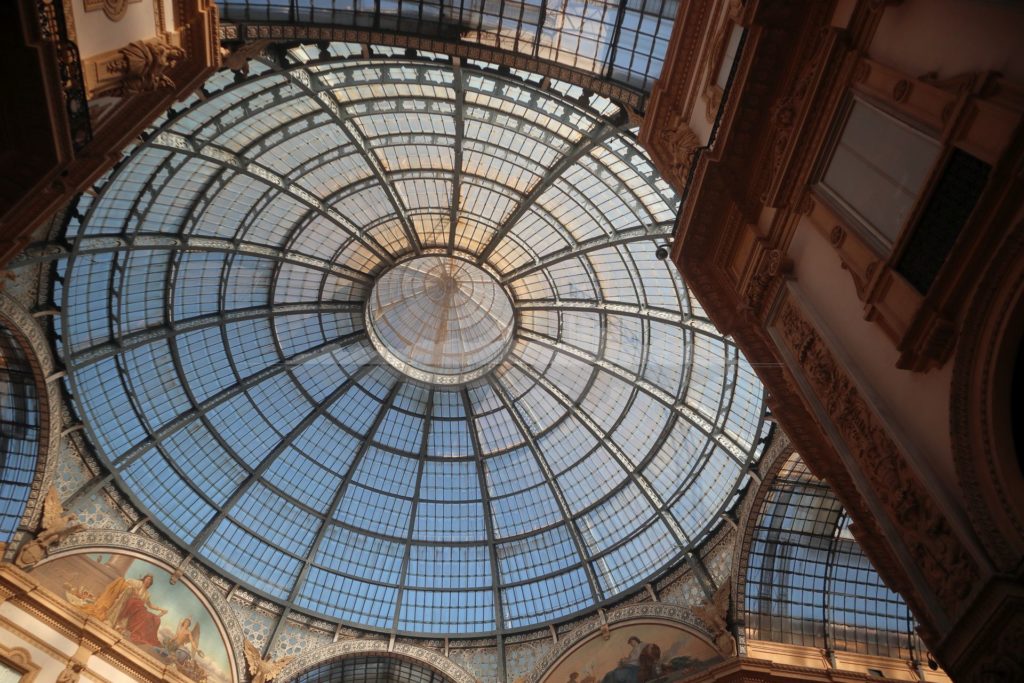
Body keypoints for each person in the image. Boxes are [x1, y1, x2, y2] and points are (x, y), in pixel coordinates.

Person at [83, 573, 167, 646]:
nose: (148, 581)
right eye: (147, 579)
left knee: (148, 616)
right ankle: (121, 625)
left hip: (138, 608)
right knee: (137, 607)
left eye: (149, 581)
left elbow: (150, 605)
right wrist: (133, 590)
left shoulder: (147, 594)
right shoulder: (138, 583)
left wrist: (160, 609)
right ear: (144, 579)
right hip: (130, 602)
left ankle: (139, 631)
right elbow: (126, 582)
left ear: (150, 584)